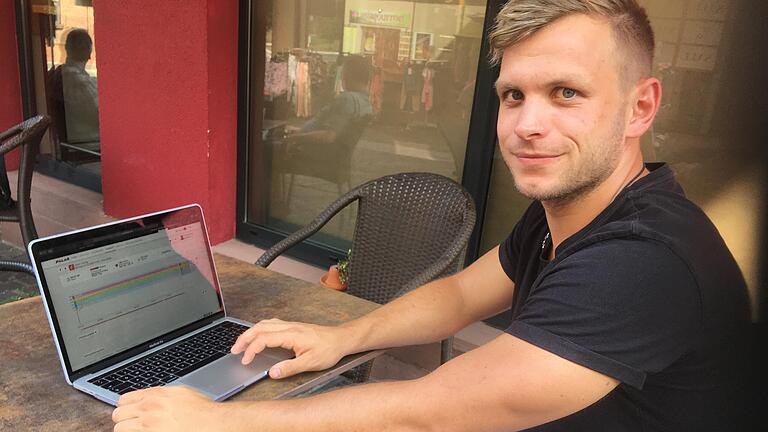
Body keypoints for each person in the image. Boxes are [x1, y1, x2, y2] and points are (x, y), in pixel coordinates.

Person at [111, 1, 752, 430]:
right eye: (513, 95)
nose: (529, 125)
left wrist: (224, 420)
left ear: (641, 108)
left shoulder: (644, 262)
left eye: (567, 94)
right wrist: (345, 337)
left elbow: (428, 409)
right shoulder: (570, 209)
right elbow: (459, 294)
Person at [48, 28, 100, 145]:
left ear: (66, 49)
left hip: (67, 143)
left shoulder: (55, 75)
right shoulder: (79, 82)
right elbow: (98, 116)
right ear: (89, 51)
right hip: (87, 145)